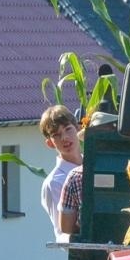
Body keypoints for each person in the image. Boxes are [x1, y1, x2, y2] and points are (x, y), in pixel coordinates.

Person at [39, 104, 83, 243]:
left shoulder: (97, 163)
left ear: (79, 129)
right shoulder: (54, 182)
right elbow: (63, 234)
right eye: (56, 135)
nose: (64, 138)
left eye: (68, 129)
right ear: (50, 143)